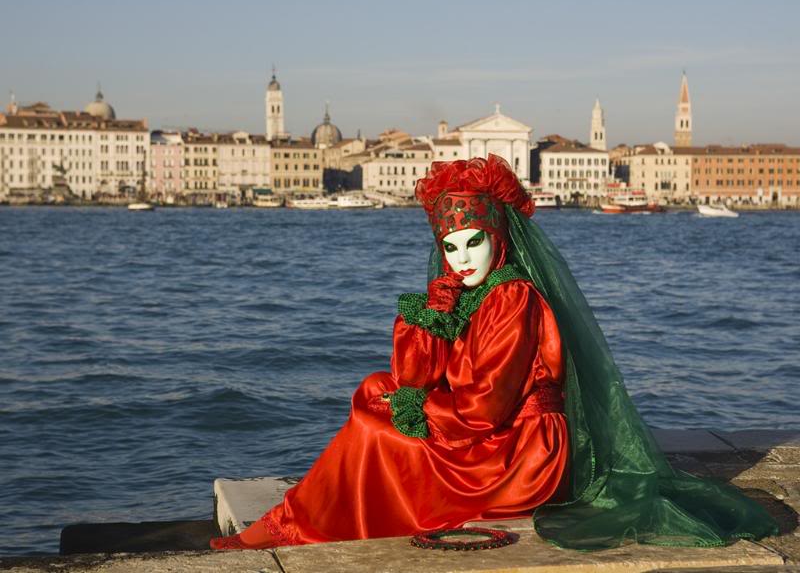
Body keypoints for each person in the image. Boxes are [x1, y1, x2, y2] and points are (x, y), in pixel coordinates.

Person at [211, 155, 778, 551]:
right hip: (489, 431)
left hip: (522, 451)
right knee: (375, 390)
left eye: (472, 241)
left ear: (499, 235)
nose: (459, 259)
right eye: (449, 246)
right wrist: (433, 314)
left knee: (377, 429)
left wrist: (417, 408)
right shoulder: (471, 294)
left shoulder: (513, 297)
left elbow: (485, 407)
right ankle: (305, 514)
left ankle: (298, 522)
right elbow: (419, 376)